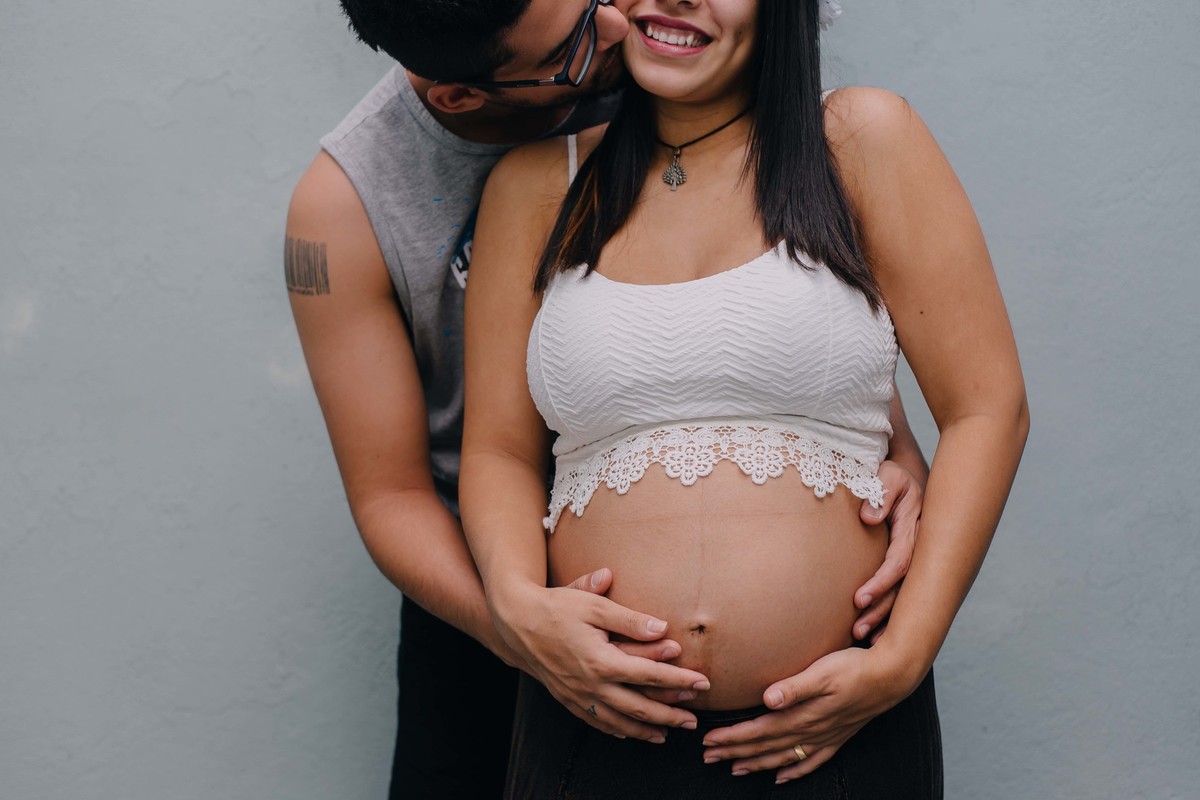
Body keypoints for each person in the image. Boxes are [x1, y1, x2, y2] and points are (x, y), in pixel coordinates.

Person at [286, 0, 929, 796]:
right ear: (463, 95)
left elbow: (789, 313)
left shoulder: (661, 47)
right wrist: (524, 622)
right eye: (576, 43)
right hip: (479, 578)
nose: (618, 28)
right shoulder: (344, 209)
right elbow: (393, 495)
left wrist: (889, 454)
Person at [460, 0, 1029, 796]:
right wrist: (519, 605)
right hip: (594, 724)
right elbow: (497, 451)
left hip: (835, 728)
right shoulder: (535, 187)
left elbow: (987, 408)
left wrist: (904, 659)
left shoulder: (862, 140)